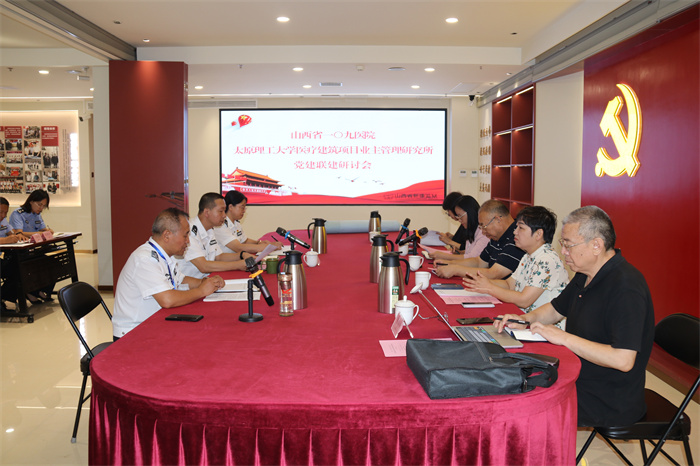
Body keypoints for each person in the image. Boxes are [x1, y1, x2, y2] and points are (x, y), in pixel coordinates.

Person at [495, 206, 654, 427]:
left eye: (568, 245)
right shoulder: (585, 274)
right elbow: (556, 309)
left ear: (596, 245)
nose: (564, 252)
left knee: (522, 403)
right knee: (509, 378)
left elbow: (623, 360)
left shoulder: (626, 287)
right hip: (578, 370)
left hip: (608, 395)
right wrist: (525, 320)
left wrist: (563, 338)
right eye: (562, 244)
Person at [112, 207, 225, 339]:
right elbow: (167, 300)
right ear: (167, 235)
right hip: (133, 333)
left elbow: (181, 280)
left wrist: (206, 282)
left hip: (154, 323)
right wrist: (201, 291)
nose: (188, 241)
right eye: (185, 235)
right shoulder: (145, 259)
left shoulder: (166, 256)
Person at [463, 206, 569, 322]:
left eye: (521, 228)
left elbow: (524, 300)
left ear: (538, 234)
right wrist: (482, 283)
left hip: (543, 326)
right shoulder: (528, 256)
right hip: (524, 320)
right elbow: (509, 284)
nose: (515, 232)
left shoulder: (547, 260)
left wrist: (489, 287)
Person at [435, 199, 524, 280]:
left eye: (484, 226)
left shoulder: (516, 238)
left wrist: (456, 270)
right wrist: (449, 263)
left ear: (498, 220)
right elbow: (479, 262)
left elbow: (494, 273)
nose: (483, 232)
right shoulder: (496, 236)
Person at [177, 192, 253, 279]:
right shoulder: (189, 231)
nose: (224, 215)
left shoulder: (210, 229)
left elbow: (219, 257)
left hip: (208, 279)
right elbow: (203, 266)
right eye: (221, 211)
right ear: (207, 212)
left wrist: (242, 255)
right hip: (192, 283)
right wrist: (238, 265)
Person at [8, 190, 55, 302]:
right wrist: (38, 233)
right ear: (31, 201)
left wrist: (48, 231)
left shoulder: (37, 214)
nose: (41, 208)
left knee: (53, 263)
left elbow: (42, 229)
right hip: (20, 252)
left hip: (34, 250)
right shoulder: (18, 213)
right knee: (34, 265)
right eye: (39, 204)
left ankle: (41, 289)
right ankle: (30, 291)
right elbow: (18, 233)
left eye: (43, 206)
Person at [214, 190, 282, 254]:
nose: (244, 211)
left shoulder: (236, 223)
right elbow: (238, 247)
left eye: (245, 208)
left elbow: (244, 241)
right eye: (242, 207)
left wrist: (259, 242)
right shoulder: (220, 225)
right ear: (231, 207)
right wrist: (269, 247)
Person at [430, 195, 489, 261]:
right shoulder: (470, 229)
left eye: (460, 216)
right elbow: (469, 251)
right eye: (457, 216)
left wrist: (444, 256)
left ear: (470, 212)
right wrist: (460, 252)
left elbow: (472, 258)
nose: (459, 220)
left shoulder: (483, 232)